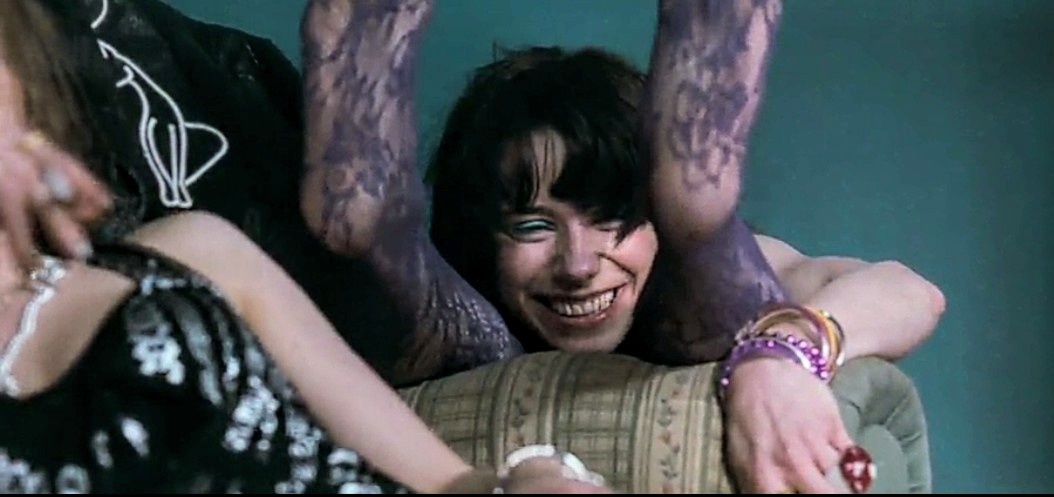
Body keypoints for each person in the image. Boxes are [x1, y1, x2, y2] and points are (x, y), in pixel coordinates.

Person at [300, 0, 943, 493]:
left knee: (713, 305)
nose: (578, 265)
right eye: (533, 226)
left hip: (690, 299)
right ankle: (364, 218)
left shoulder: (684, 275)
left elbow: (911, 293)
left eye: (614, 218)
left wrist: (780, 354)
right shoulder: (462, 288)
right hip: (450, 336)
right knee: (420, 308)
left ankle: (696, 209)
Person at [0, 0, 610, 493]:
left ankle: (369, 211)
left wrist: (531, 477)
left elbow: (453, 483)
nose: (579, 261)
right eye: (536, 225)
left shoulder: (195, 252)